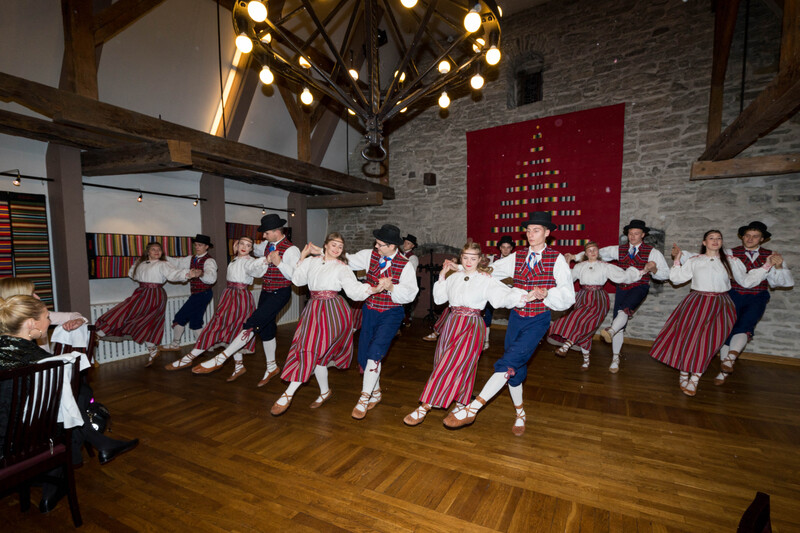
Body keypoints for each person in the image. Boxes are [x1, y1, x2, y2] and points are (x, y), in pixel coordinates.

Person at [0, 295, 138, 513]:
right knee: (77, 403)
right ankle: (57, 479)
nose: (49, 322)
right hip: (18, 445)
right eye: (46, 317)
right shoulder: (44, 362)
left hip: (5, 436)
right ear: (31, 323)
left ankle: (96, 448)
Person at [443, 212, 575, 435]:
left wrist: (547, 293)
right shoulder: (518, 256)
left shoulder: (557, 259)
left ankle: (472, 409)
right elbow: (490, 271)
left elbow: (568, 295)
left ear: (547, 233)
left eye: (536, 230)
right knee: (516, 367)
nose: (531, 234)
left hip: (538, 319)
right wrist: (460, 268)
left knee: (509, 361)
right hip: (516, 317)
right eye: (528, 230)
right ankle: (520, 413)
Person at [403, 241, 530, 427]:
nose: (469, 262)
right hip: (451, 323)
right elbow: (439, 299)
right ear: (461, 258)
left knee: (450, 364)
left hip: (471, 325)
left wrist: (526, 296)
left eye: (473, 258)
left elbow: (503, 296)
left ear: (479, 260)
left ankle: (425, 406)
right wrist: (442, 275)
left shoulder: (485, 279)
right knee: (450, 363)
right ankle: (461, 403)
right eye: (465, 258)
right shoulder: (454, 277)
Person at [651, 230, 775, 396]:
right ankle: (684, 373)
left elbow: (746, 281)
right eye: (711, 238)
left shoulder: (732, 261)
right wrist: (677, 260)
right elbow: (677, 278)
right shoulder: (695, 260)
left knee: (709, 342)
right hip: (697, 303)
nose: (715, 241)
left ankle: (695, 379)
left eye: (718, 238)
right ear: (704, 242)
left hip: (720, 304)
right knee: (688, 339)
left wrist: (766, 266)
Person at [270, 233, 377, 415]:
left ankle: (288, 394)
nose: (337, 249)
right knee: (316, 355)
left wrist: (373, 289)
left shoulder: (342, 267)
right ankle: (325, 392)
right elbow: (297, 280)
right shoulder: (311, 261)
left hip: (333, 311)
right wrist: (303, 256)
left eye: (340, 247)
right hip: (313, 309)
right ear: (325, 245)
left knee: (311, 349)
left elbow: (354, 291)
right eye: (334, 245)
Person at [676, 221, 793, 385]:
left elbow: (781, 282)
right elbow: (705, 256)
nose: (750, 239)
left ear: (762, 239)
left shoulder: (771, 256)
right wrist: (680, 255)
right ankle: (724, 369)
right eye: (747, 235)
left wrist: (778, 267)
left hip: (757, 296)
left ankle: (730, 360)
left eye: (755, 236)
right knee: (726, 329)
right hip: (732, 295)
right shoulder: (730, 253)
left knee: (746, 325)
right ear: (742, 237)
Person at [198, 214, 300, 387]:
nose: (264, 236)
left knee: (253, 323)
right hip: (266, 292)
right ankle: (272, 367)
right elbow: (252, 250)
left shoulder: (291, 250)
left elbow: (296, 277)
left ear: (276, 231)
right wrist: (239, 246)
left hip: (281, 292)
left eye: (266, 233)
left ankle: (221, 358)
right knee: (266, 329)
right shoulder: (267, 245)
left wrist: (280, 263)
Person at [564, 219, 668, 373]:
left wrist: (654, 269)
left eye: (636, 233)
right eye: (630, 233)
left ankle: (611, 331)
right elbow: (597, 252)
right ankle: (615, 357)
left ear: (643, 235)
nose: (632, 236)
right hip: (623, 287)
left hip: (640, 286)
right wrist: (575, 257)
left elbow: (665, 275)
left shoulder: (653, 252)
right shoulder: (619, 249)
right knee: (619, 320)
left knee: (624, 309)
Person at [346, 224, 419, 419]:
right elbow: (347, 260)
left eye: (380, 244)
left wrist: (392, 288)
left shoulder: (405, 265)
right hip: (370, 309)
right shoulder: (369, 255)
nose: (376, 246)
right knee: (365, 353)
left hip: (391, 313)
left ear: (392, 246)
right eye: (376, 243)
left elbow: (410, 294)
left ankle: (364, 398)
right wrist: (324, 252)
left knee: (376, 350)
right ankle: (376, 392)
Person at [547, 241, 647, 370]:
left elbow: (622, 276)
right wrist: (566, 265)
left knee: (585, 322)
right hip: (583, 297)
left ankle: (566, 346)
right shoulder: (579, 266)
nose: (592, 252)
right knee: (584, 326)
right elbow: (567, 280)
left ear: (598, 252)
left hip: (598, 299)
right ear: (585, 253)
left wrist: (639, 273)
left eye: (595, 249)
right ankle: (586, 360)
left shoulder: (605, 266)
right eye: (589, 250)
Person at [94, 242, 196, 366]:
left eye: (159, 249)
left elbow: (173, 274)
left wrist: (187, 274)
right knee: (130, 314)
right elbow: (133, 274)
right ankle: (152, 350)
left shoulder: (163, 264)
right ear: (148, 252)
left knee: (144, 319)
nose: (157, 251)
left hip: (154, 294)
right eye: (153, 249)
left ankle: (99, 334)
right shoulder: (141, 263)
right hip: (141, 292)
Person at [186, 237, 269, 379]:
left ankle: (190, 357)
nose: (244, 247)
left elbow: (255, 270)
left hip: (240, 296)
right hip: (229, 294)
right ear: (237, 245)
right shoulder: (235, 259)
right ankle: (239, 366)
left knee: (233, 326)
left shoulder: (249, 261)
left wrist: (264, 260)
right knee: (231, 328)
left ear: (251, 249)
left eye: (248, 245)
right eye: (242, 243)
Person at [0, 278, 88, 353]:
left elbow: (72, 315)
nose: (38, 297)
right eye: (32, 294)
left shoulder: (41, 316)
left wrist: (79, 320)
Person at [161, 234, 218, 351]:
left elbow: (212, 278)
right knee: (195, 320)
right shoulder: (191, 258)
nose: (197, 247)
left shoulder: (209, 261)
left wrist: (201, 274)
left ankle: (176, 344)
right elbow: (177, 262)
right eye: (196, 245)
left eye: (200, 245)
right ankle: (204, 346)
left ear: (206, 246)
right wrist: (162, 256)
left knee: (180, 317)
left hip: (203, 294)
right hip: (197, 294)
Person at [482, 235, 516, 351]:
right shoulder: (492, 259)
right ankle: (486, 340)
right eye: (503, 247)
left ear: (511, 248)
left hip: (510, 291)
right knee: (486, 311)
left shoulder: (515, 260)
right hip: (495, 291)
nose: (506, 250)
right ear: (500, 248)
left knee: (517, 314)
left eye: (508, 247)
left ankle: (514, 342)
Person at [400, 234, 419, 329]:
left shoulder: (413, 257)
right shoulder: (400, 255)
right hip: (399, 282)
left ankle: (405, 321)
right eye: (405, 242)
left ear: (412, 246)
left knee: (405, 305)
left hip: (406, 283)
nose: (405, 244)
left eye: (408, 243)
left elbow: (411, 272)